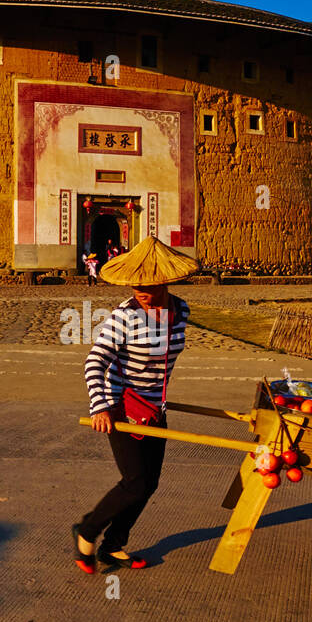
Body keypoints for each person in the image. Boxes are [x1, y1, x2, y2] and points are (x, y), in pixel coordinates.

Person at [72, 236, 198, 572]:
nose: (140, 289)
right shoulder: (124, 316)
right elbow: (94, 362)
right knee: (135, 481)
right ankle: (87, 530)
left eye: (148, 283)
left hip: (155, 408)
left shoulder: (181, 310)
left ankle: (114, 545)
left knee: (148, 484)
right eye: (135, 283)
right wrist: (100, 406)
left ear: (166, 280)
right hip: (121, 406)